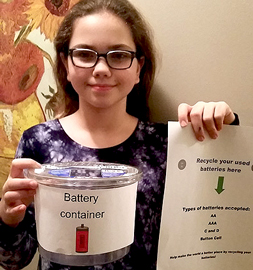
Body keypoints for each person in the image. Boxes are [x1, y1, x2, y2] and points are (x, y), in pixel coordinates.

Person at [0, 0, 239, 269]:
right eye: (86, 54)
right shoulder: (38, 141)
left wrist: (223, 127)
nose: (101, 69)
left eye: (118, 55)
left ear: (138, 68)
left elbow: (220, 218)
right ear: (66, 64)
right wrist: (8, 219)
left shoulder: (167, 144)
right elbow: (14, 260)